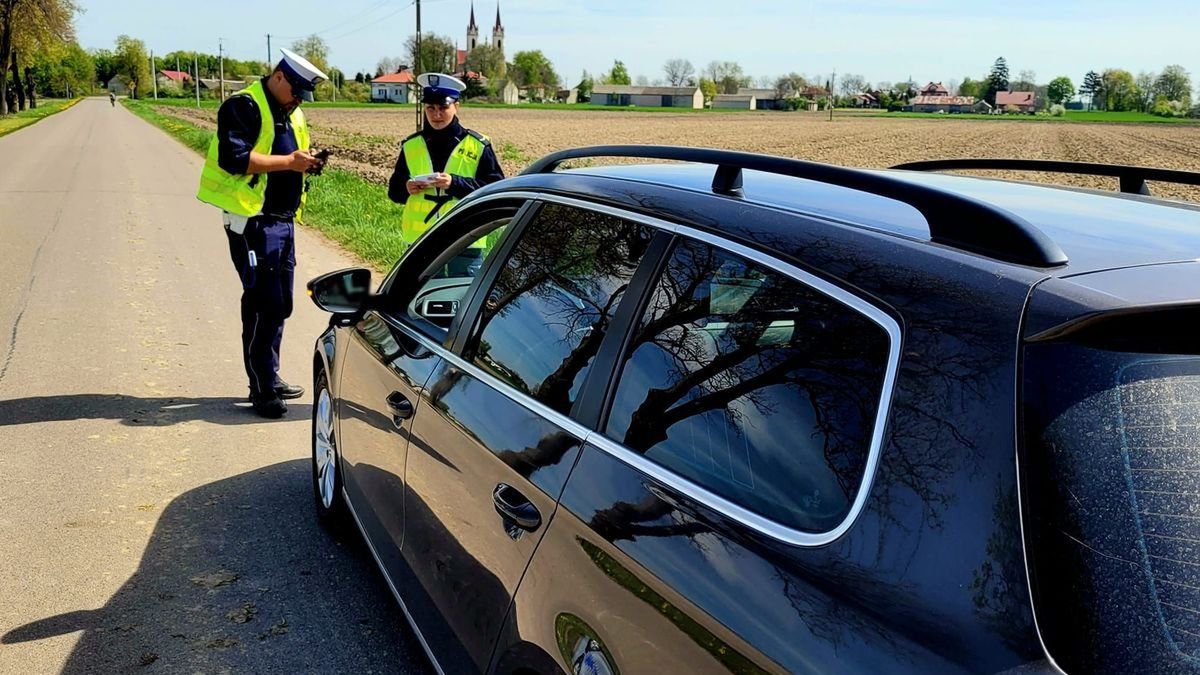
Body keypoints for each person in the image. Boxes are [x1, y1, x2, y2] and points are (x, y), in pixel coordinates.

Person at [195, 48, 328, 418]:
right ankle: (262, 387)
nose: (300, 99)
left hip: (283, 220)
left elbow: (289, 156)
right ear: (280, 76)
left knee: (280, 303)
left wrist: (306, 162)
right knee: (264, 303)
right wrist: (289, 162)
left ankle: (270, 373)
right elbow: (234, 158)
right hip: (253, 222)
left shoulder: (292, 112)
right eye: (297, 90)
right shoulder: (244, 106)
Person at [388, 73, 504, 270]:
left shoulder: (477, 145)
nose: (436, 115)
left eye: (443, 107)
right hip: (421, 241)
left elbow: (495, 189)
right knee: (422, 298)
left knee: (463, 298)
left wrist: (454, 183)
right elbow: (394, 192)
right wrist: (407, 187)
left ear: (456, 106)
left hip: (465, 239)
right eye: (430, 108)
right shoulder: (411, 145)